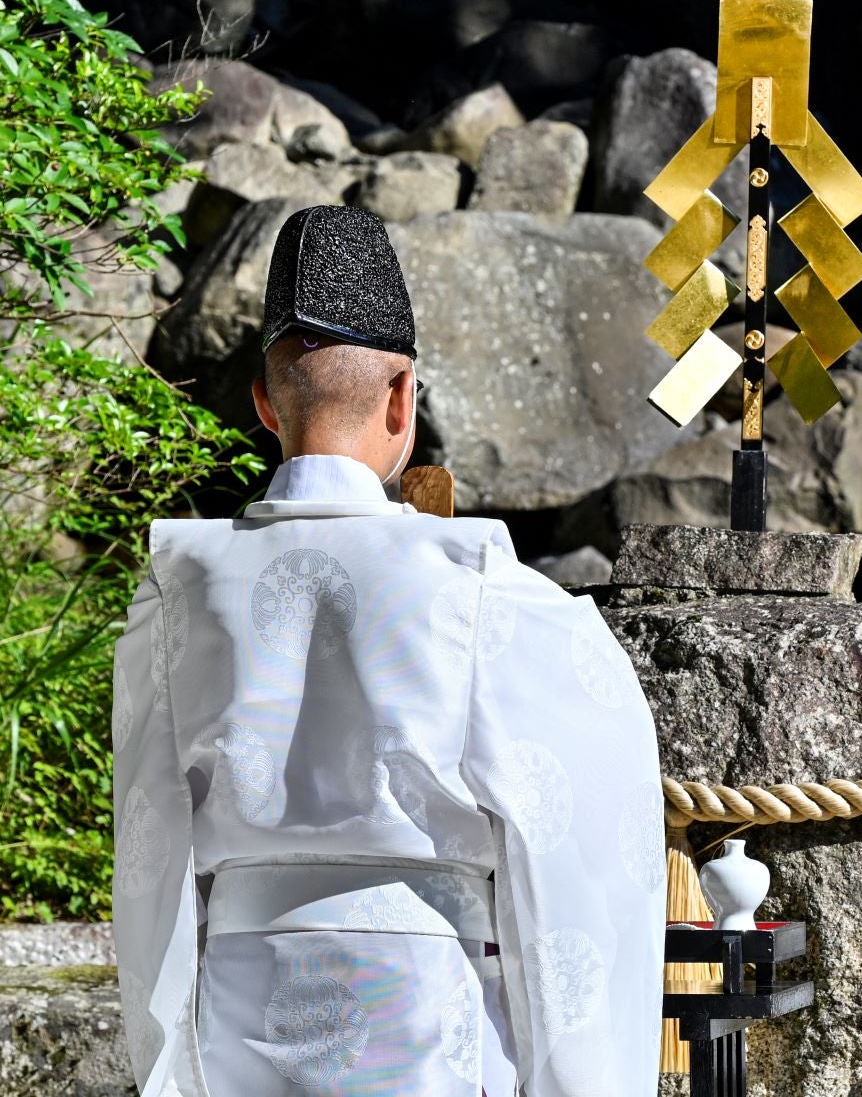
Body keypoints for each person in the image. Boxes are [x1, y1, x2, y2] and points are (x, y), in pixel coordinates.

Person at [111, 205, 665, 1096]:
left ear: (263, 403)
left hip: (239, 1025)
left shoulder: (176, 592)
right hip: (425, 1026)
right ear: (404, 396)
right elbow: (581, 879)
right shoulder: (493, 597)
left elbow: (148, 874)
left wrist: (168, 1070)